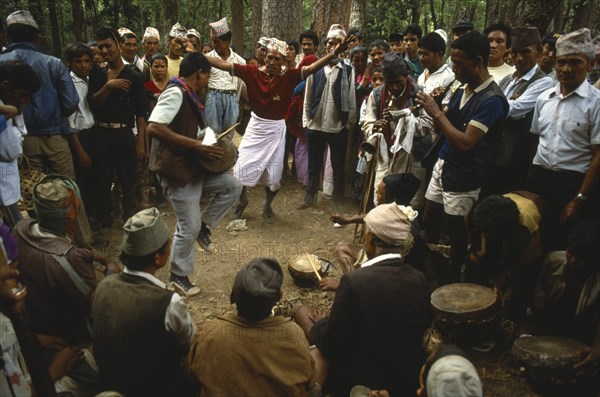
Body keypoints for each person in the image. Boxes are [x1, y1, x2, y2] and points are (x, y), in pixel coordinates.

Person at [206, 33, 354, 222]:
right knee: (242, 168)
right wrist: (198, 55)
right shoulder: (251, 72)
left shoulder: (290, 76)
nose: (273, 62)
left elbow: (312, 68)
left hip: (276, 129)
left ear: (284, 61)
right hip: (256, 126)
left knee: (274, 175)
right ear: (264, 57)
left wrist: (335, 53)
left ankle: (267, 206)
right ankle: (241, 202)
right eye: (270, 57)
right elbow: (225, 65)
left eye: (278, 59)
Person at [295, 203, 432, 397]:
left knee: (303, 313)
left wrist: (322, 324)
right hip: (404, 374)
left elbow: (334, 343)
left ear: (369, 240)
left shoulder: (354, 281)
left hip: (363, 375)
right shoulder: (419, 278)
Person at [416, 30, 508, 280]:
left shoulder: (492, 100)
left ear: (477, 62)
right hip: (444, 165)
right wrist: (437, 109)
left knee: (458, 234)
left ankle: (455, 280)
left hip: (465, 176)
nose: (453, 69)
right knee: (428, 221)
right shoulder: (461, 88)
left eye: (458, 63)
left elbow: (466, 143)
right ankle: (425, 271)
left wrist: (437, 113)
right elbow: (443, 129)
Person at [148, 52, 241, 296]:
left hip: (193, 169)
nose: (207, 82)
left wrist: (211, 142)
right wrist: (196, 145)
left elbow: (194, 132)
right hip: (177, 173)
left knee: (233, 187)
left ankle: (204, 227)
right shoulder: (175, 92)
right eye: (207, 77)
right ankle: (178, 276)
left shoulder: (191, 97)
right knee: (187, 226)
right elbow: (154, 127)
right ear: (199, 73)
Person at [92, 208, 195, 396]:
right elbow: (188, 340)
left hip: (110, 378)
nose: (170, 248)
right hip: (152, 387)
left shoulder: (105, 285)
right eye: (168, 246)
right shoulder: (168, 302)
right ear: (157, 257)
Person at [186, 258, 315, 396]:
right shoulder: (292, 335)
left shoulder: (210, 333)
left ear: (232, 297)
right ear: (279, 296)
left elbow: (190, 377)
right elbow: (309, 382)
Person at [526, 28, 600, 250]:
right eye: (562, 62)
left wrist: (579, 198)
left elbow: (598, 155)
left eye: (575, 62)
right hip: (541, 179)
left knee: (563, 241)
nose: (566, 69)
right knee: (533, 238)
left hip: (573, 182)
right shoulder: (544, 99)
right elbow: (536, 141)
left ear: (589, 64)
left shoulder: (595, 103)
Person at [0, 10, 79, 178]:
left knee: (31, 190)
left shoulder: (1, 61)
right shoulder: (53, 62)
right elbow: (71, 102)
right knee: (65, 187)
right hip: (53, 137)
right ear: (36, 36)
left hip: (18, 138)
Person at [484, 27, 554, 196]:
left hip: (515, 159)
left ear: (538, 52)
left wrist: (503, 104)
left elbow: (512, 110)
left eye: (526, 52)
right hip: (492, 155)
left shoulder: (544, 82)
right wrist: (507, 103)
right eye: (515, 53)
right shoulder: (507, 80)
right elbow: (488, 103)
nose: (519, 58)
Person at [88, 26, 147, 226]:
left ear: (118, 45)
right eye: (100, 47)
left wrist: (140, 141)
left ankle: (130, 220)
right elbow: (93, 103)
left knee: (128, 178)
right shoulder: (97, 74)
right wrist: (108, 86)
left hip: (123, 133)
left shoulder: (134, 75)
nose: (105, 51)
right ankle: (105, 221)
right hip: (101, 134)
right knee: (102, 179)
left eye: (108, 46)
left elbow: (141, 112)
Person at [532, 220, 599, 394]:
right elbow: (531, 298)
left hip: (584, 333)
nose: (573, 261)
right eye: (571, 253)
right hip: (549, 326)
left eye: (583, 259)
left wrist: (597, 350)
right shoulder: (550, 262)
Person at [299, 24, 357, 210]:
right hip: (315, 125)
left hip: (336, 126)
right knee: (313, 165)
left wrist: (348, 124)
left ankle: (337, 199)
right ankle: (310, 198)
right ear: (326, 46)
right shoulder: (315, 68)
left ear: (343, 47)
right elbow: (308, 97)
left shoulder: (347, 70)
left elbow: (351, 99)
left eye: (337, 43)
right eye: (330, 43)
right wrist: (306, 122)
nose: (333, 47)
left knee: (338, 166)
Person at [328, 173, 421, 281]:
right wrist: (348, 220)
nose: (376, 193)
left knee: (341, 248)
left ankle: (354, 286)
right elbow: (372, 217)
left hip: (386, 270)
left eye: (380, 192)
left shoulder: (396, 224)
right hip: (396, 268)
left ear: (393, 198)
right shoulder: (407, 212)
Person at [466, 194, 545, 321]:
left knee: (522, 289)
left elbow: (522, 265)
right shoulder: (482, 212)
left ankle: (511, 325)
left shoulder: (525, 229)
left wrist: (500, 282)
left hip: (538, 222)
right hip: (504, 218)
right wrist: (479, 253)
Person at [0, 60, 39, 229]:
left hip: (7, 181)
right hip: (3, 186)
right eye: (23, 94)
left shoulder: (9, 106)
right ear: (7, 87)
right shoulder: (5, 110)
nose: (25, 100)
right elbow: (11, 151)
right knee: (15, 229)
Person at [65, 43, 97, 227]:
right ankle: (85, 221)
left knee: (95, 177)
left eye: (87, 61)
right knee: (82, 179)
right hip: (80, 136)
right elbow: (69, 122)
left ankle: (94, 214)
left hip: (94, 133)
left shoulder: (91, 79)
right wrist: (80, 151)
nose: (84, 65)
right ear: (70, 63)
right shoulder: (69, 83)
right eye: (78, 62)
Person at [204, 18, 246, 136]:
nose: (214, 44)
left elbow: (241, 86)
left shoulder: (240, 61)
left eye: (217, 41)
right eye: (213, 41)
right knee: (212, 134)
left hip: (232, 99)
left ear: (227, 41)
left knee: (228, 134)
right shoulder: (207, 58)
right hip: (212, 97)